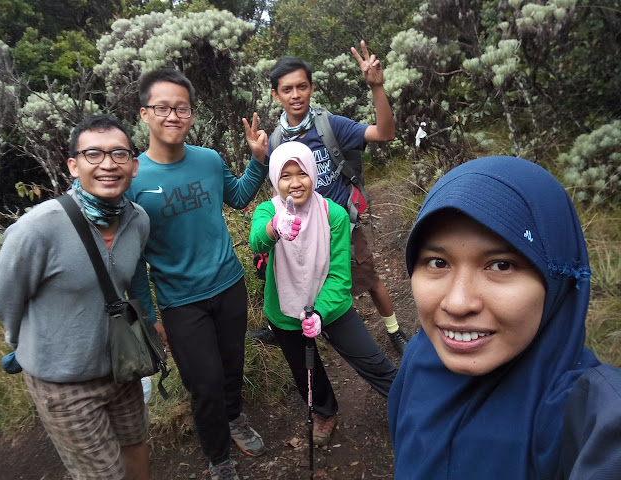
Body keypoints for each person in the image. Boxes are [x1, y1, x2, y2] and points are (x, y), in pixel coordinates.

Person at [388, 156, 621, 479]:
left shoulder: (591, 417)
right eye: (438, 262)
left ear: (558, 280)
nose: (457, 303)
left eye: (501, 265)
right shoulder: (419, 358)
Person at [0, 114, 151, 480]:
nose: (108, 164)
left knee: (137, 447)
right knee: (102, 474)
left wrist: (150, 321)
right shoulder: (37, 229)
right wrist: (31, 348)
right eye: (93, 154)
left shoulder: (137, 220)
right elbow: (4, 301)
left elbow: (134, 278)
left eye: (119, 154)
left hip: (121, 366)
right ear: (74, 166)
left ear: (134, 166)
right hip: (62, 382)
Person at [126, 68, 268, 480]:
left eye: (182, 108)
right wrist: (150, 314)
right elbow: (134, 258)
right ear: (145, 114)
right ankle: (218, 457)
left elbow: (239, 195)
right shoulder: (133, 177)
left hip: (228, 284)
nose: (173, 116)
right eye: (163, 108)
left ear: (191, 115)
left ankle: (236, 416)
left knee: (232, 363)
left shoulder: (208, 159)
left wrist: (257, 161)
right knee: (203, 384)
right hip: (179, 301)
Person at [250, 141, 397, 448]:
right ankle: (324, 412)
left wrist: (320, 312)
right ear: (275, 180)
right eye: (285, 176)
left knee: (370, 358)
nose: (294, 183)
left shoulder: (334, 215)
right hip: (286, 311)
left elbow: (340, 276)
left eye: (301, 173)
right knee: (306, 370)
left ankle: (409, 401)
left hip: (332, 304)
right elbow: (256, 242)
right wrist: (274, 228)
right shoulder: (268, 210)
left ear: (313, 174)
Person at [266, 42, 411, 353]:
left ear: (312, 87)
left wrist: (377, 87)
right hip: (301, 235)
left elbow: (385, 133)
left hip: (339, 224)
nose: (295, 95)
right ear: (276, 95)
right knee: (317, 288)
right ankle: (332, 336)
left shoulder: (330, 125)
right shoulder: (275, 140)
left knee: (369, 279)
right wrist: (257, 156)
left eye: (302, 86)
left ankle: (394, 330)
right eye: (287, 89)